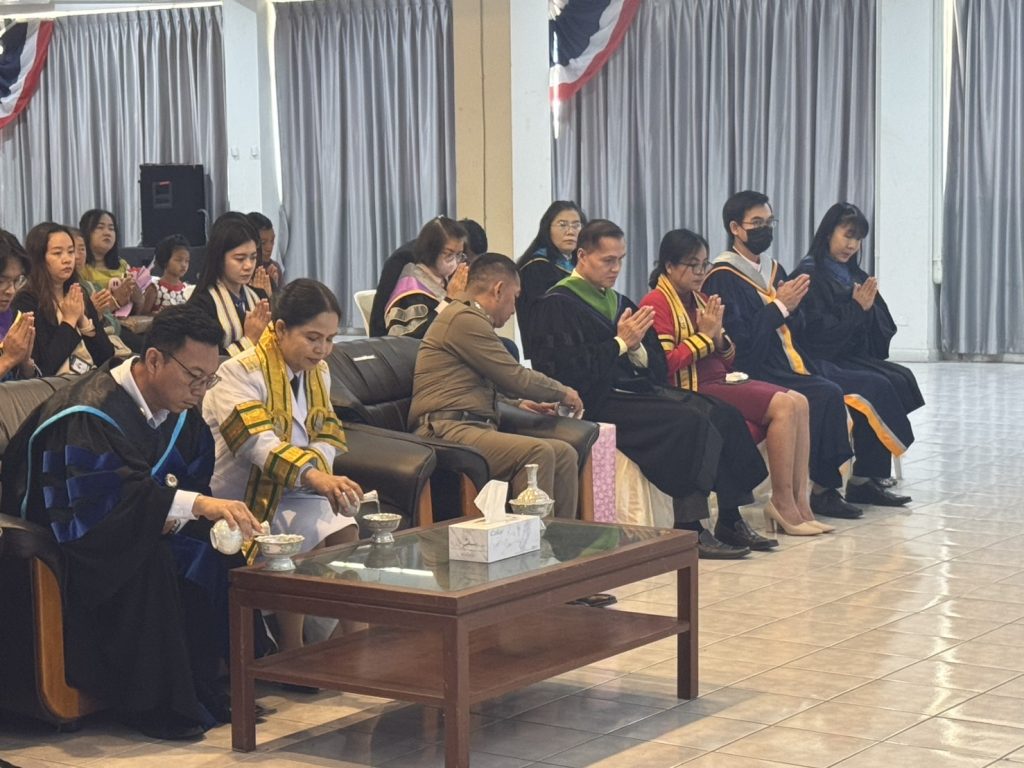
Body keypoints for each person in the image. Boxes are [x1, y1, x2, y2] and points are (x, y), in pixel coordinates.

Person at [0, 305, 265, 740]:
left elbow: (188, 479)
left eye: (209, 379)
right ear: (154, 359)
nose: (201, 390)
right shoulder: (86, 414)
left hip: (134, 527)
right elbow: (94, 510)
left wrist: (188, 515)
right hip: (77, 549)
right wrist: (187, 508)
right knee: (152, 559)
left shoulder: (179, 409)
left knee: (216, 547)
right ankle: (159, 705)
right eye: (193, 376)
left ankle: (211, 686)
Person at [528, 220, 769, 558]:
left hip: (634, 390)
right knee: (689, 422)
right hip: (595, 400)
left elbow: (655, 367)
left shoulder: (620, 302)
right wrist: (620, 343)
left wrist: (637, 348)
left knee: (723, 413)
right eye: (608, 260)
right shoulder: (556, 303)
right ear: (582, 256)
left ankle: (730, 518)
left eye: (620, 260)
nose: (616, 268)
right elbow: (564, 371)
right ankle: (690, 528)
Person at [203, 279, 361, 652]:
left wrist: (321, 477)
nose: (323, 349)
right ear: (280, 329)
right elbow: (257, 444)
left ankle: (352, 642)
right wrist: (316, 476)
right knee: (304, 530)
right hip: (245, 496)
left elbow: (328, 431)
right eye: (313, 338)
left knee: (345, 526)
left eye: (330, 339)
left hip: (298, 487)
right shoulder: (239, 372)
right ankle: (292, 648)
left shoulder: (318, 372)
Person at [640, 229, 831, 538]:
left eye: (704, 264)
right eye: (692, 265)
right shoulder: (656, 302)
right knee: (784, 406)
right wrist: (706, 337)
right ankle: (781, 503)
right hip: (692, 387)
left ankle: (800, 503)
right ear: (669, 266)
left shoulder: (702, 299)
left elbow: (729, 357)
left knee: (800, 401)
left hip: (720, 378)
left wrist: (717, 338)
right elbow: (666, 365)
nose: (700, 272)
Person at [702, 190, 874, 519]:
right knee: (825, 393)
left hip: (789, 359)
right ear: (735, 228)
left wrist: (793, 309)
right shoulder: (722, 277)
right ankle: (819, 491)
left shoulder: (774, 269)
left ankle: (819, 491)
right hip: (754, 367)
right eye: (756, 223)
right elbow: (740, 342)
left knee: (837, 384)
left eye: (769, 222)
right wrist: (779, 306)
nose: (765, 229)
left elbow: (798, 322)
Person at [408, 253, 584, 518]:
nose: (514, 309)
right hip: (445, 430)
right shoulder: (463, 319)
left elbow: (475, 386)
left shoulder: (470, 319)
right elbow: (515, 376)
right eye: (515, 297)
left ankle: (561, 538)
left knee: (564, 453)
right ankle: (532, 541)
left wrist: (517, 404)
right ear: (498, 289)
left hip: (468, 425)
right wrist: (563, 392)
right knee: (538, 453)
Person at [790, 202, 922, 503]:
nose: (852, 245)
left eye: (858, 239)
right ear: (828, 233)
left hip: (845, 354)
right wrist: (856, 309)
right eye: (847, 235)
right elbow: (815, 333)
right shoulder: (809, 275)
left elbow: (877, 323)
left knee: (899, 377)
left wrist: (867, 309)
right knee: (876, 385)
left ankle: (866, 477)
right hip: (817, 359)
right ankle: (855, 480)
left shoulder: (854, 273)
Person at [12, 222, 115, 376]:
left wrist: (84, 322)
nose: (67, 259)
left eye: (71, 252)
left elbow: (106, 358)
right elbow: (43, 369)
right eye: (57, 253)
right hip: (56, 385)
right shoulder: (27, 300)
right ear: (39, 258)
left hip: (90, 379)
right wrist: (69, 321)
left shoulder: (77, 292)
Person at [369, 218, 486, 338]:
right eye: (449, 254)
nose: (455, 262)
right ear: (432, 251)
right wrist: (449, 300)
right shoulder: (411, 288)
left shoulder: (445, 277)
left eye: (459, 255)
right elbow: (413, 339)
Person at [188, 213, 271, 357]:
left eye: (253, 257)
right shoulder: (202, 304)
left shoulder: (259, 296)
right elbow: (206, 361)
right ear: (219, 259)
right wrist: (249, 340)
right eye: (240, 259)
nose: (248, 266)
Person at [516, 201, 587, 359]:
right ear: (547, 229)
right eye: (563, 225)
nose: (570, 232)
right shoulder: (536, 267)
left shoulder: (577, 264)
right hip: (553, 352)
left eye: (576, 225)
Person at [78, 208, 156, 316]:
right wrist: (116, 300)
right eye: (100, 227)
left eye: (111, 228)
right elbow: (84, 313)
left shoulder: (122, 265)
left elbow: (137, 310)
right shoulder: (80, 268)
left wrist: (138, 298)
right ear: (86, 232)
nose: (107, 233)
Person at [0, 230, 37, 380]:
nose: (11, 291)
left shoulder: (14, 318)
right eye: (1, 281)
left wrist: (25, 363)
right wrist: (8, 359)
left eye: (16, 281)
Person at [153, 234, 194, 312]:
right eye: (178, 260)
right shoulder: (155, 288)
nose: (184, 265)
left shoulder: (187, 290)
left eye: (187, 261)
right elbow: (141, 315)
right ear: (165, 260)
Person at [246, 211, 282, 294]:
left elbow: (282, 300)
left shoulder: (274, 267)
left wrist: (273, 285)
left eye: (272, 241)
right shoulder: (245, 269)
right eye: (263, 243)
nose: (269, 247)